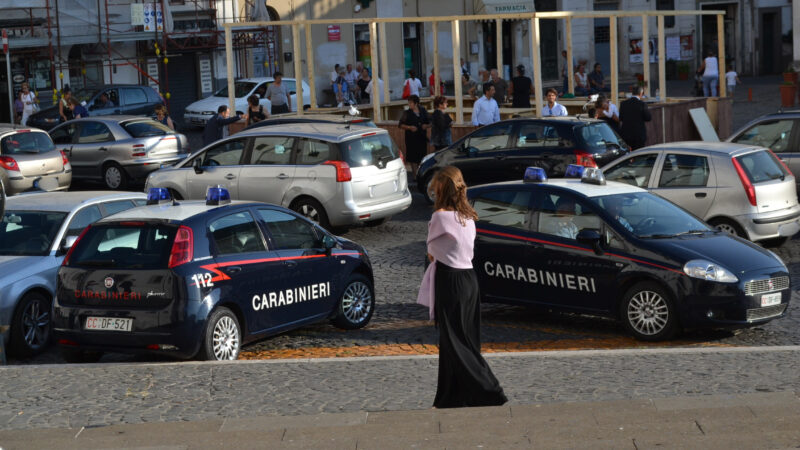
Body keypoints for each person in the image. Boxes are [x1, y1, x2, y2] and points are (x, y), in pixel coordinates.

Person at [416, 166, 507, 409]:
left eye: (435, 190)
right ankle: (450, 396)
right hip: (469, 280)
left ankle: (491, 389)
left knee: (455, 342)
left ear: (442, 189)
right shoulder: (468, 217)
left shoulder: (440, 218)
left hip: (450, 281)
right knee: (462, 339)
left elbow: (432, 252)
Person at [398, 94, 430, 180]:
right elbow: (400, 125)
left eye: (411, 103)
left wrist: (426, 126)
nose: (409, 104)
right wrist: (409, 127)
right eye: (409, 103)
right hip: (411, 138)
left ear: (416, 103)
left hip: (421, 137)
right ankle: (415, 176)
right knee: (413, 158)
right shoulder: (407, 113)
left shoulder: (423, 111)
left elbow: (430, 122)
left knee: (422, 156)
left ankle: (421, 174)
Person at [619, 85, 652, 150]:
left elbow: (621, 118)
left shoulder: (623, 104)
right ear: (641, 94)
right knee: (639, 155)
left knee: (628, 155)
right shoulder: (642, 104)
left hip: (626, 134)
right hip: (638, 135)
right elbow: (648, 118)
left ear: (632, 93)